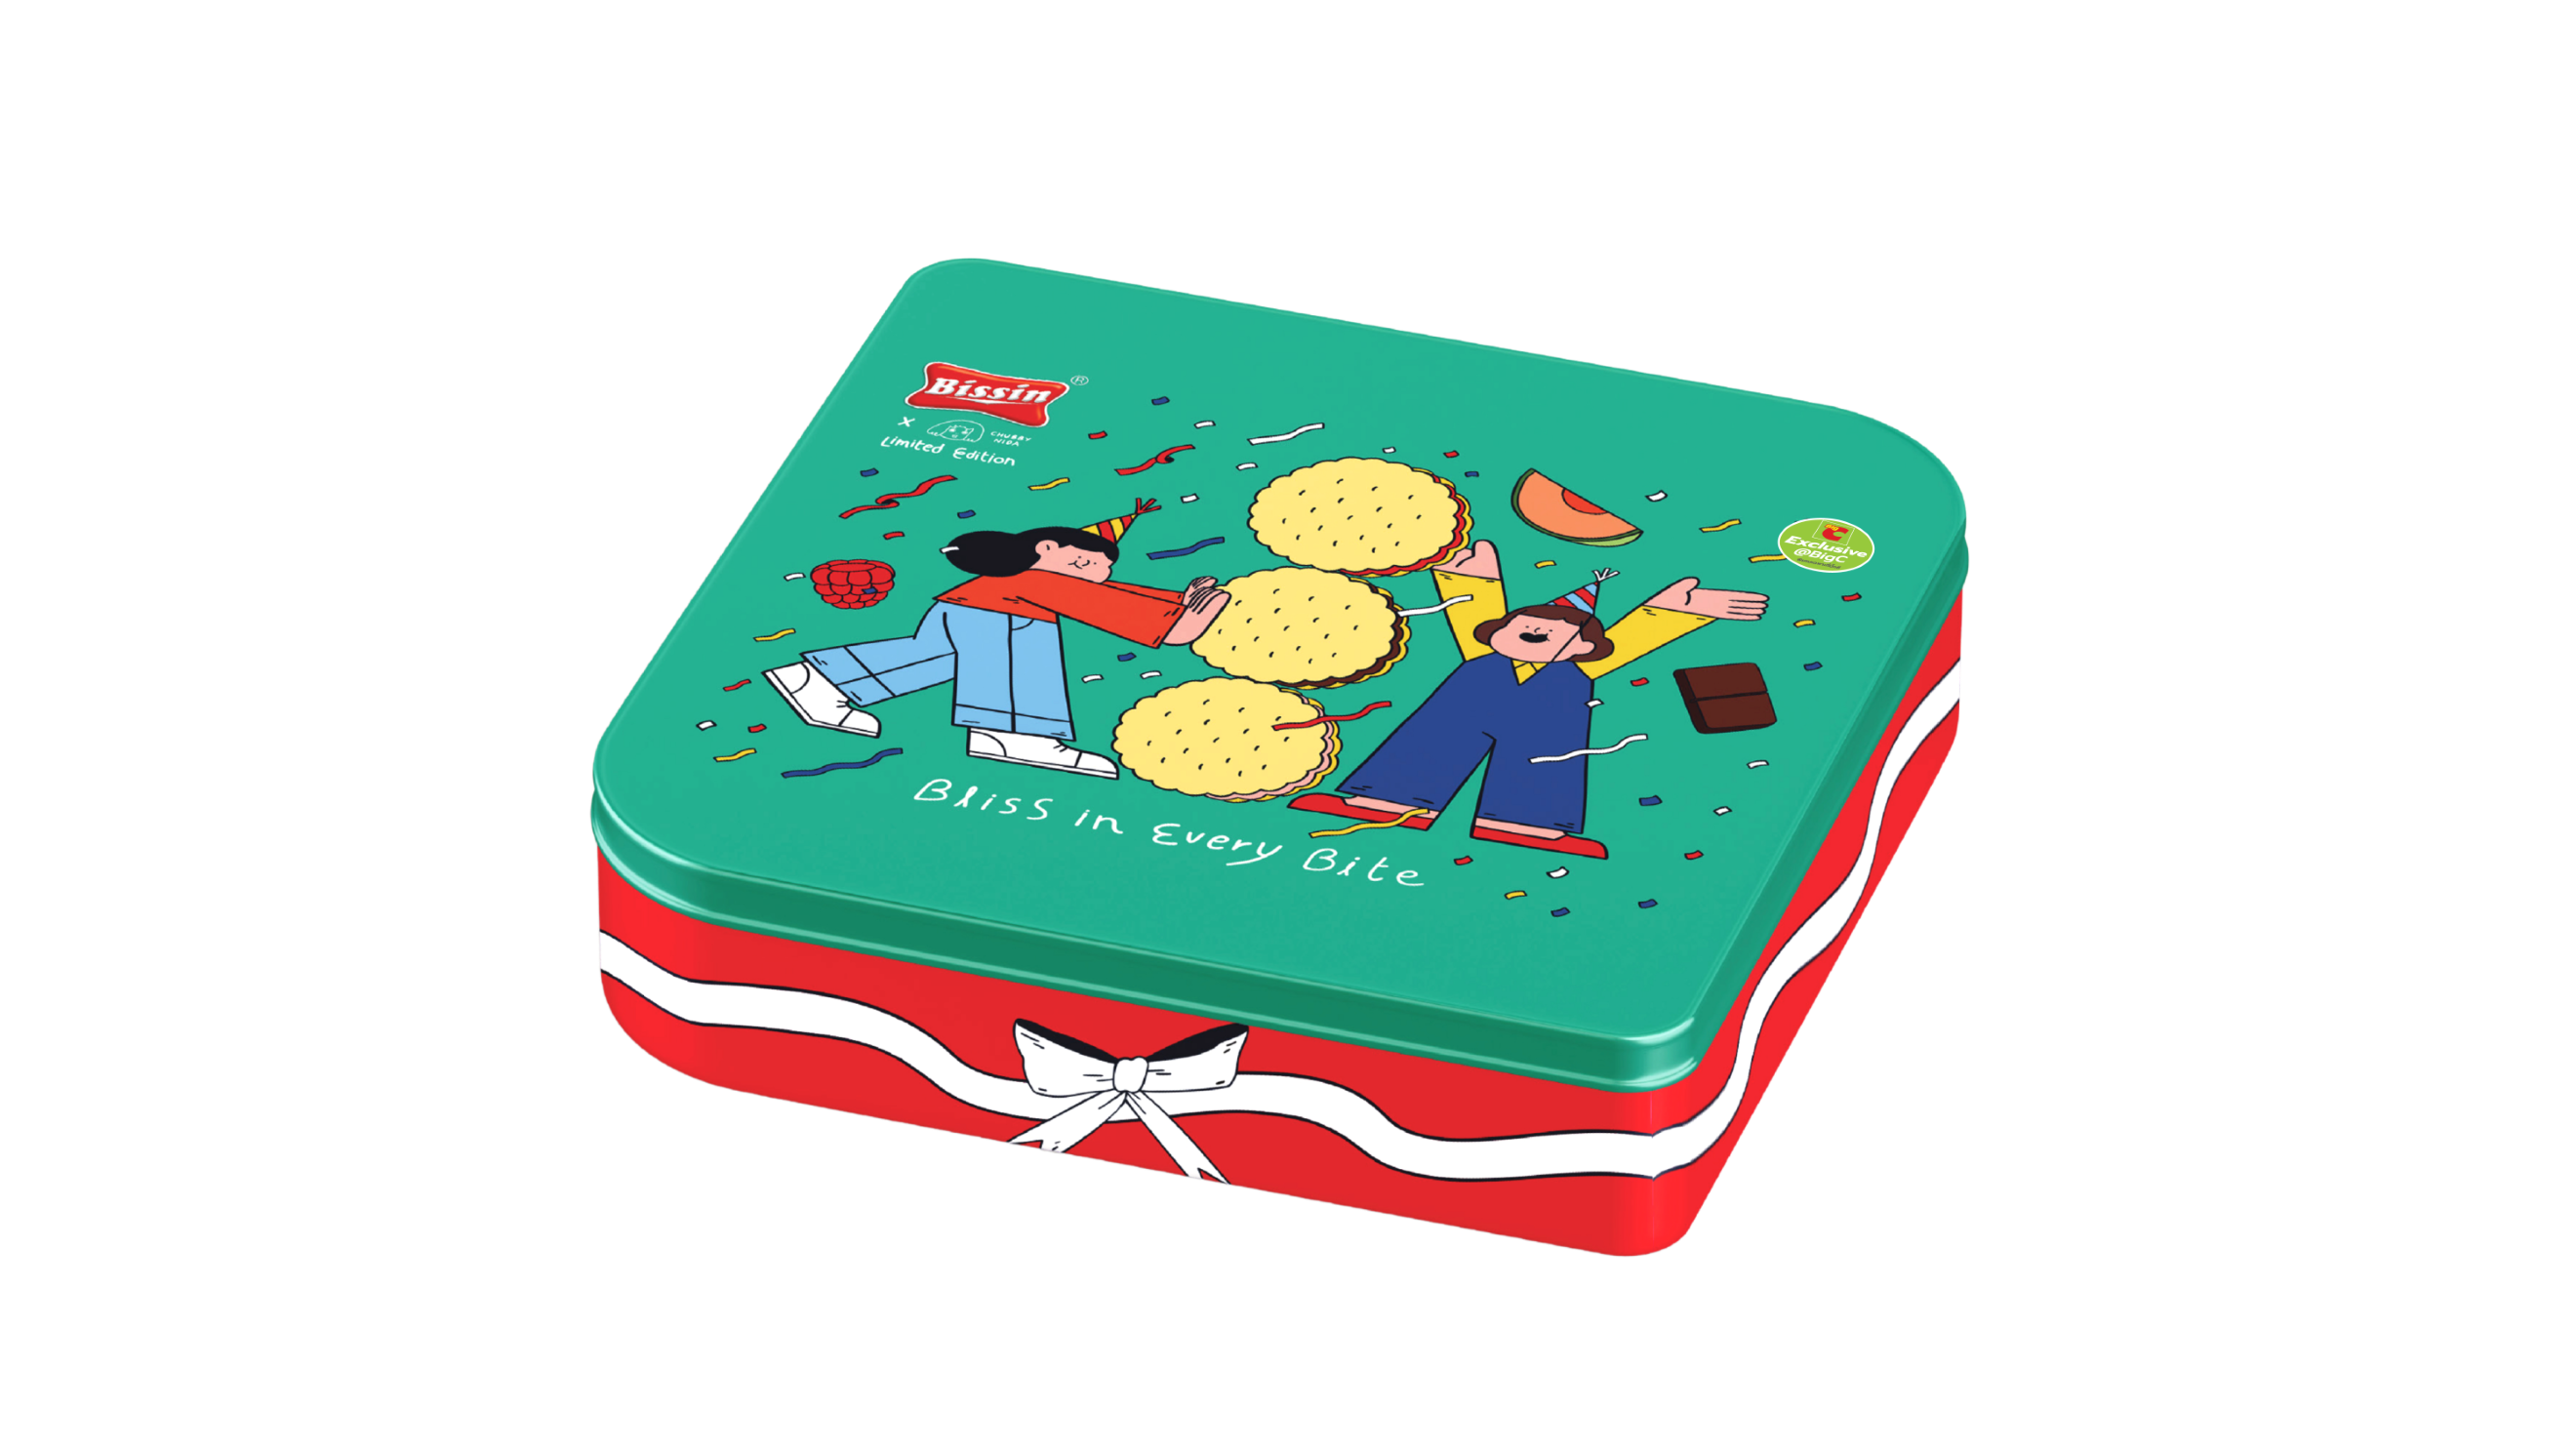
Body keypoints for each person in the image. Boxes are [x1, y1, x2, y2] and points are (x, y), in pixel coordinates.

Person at [1288, 540, 1765, 856]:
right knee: (1434, 737)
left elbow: (1626, 643)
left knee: (1545, 757)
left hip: (1550, 708)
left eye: (1552, 630)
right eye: (1524, 626)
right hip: (1470, 698)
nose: (1535, 632)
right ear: (1500, 630)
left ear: (1583, 647)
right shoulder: (1484, 656)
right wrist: (1470, 581)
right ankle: (1388, 800)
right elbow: (1472, 619)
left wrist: (1672, 611)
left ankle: (1525, 823)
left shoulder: (1578, 671)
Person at [764, 500, 1230, 779]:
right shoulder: (1036, 579)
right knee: (1017, 661)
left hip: (959, 607)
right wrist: (1181, 624)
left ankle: (814, 681)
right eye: (1089, 562)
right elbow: (1106, 605)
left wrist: (1177, 599)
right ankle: (1015, 734)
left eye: (1104, 567)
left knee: (931, 656)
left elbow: (1112, 594)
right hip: (1002, 617)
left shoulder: (1010, 578)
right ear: (1048, 548)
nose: (1099, 573)